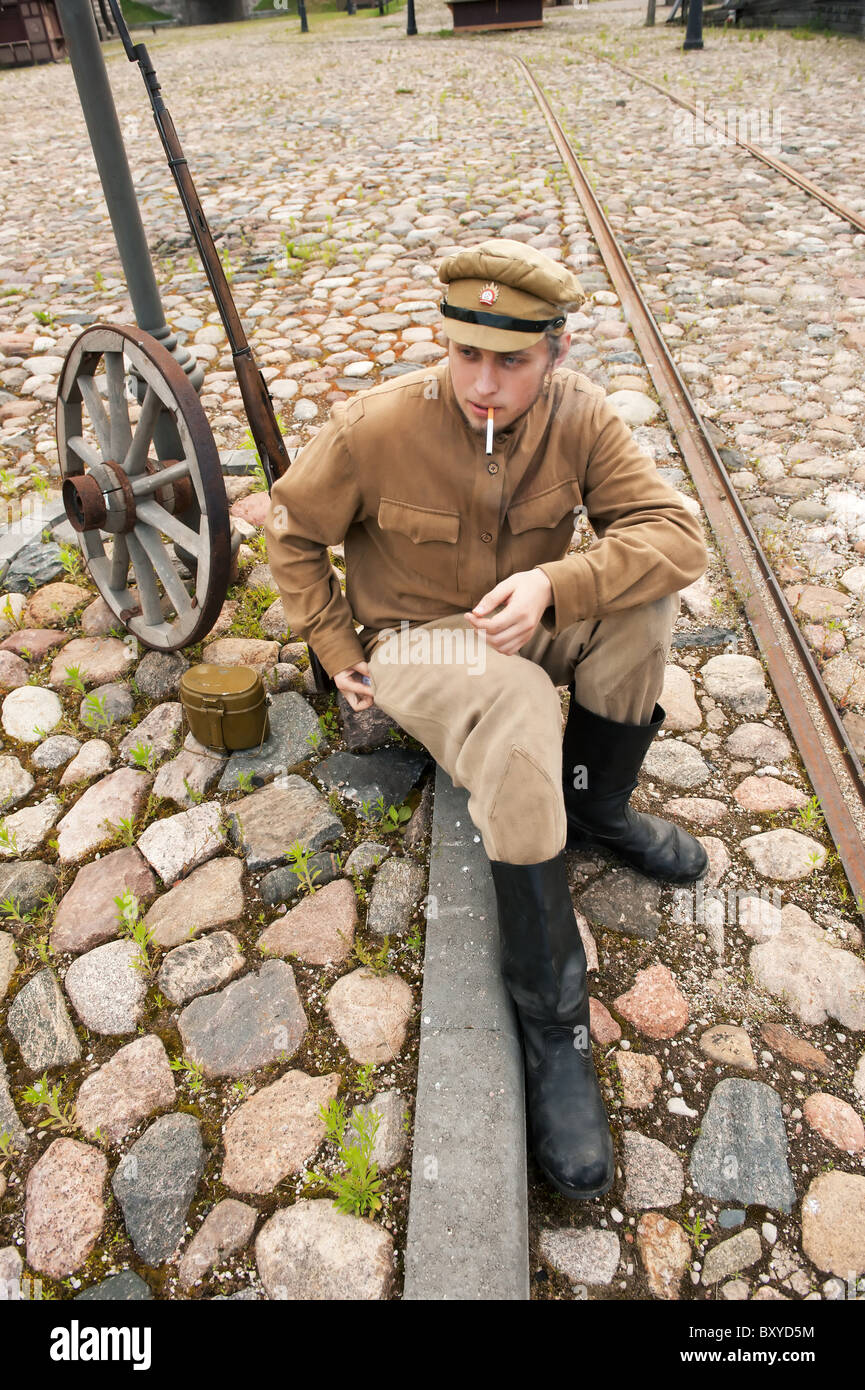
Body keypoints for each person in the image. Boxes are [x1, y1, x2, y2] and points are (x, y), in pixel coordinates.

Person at [264, 238, 709, 1202]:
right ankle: (551, 1015)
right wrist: (341, 653)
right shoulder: (376, 426)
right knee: (510, 707)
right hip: (418, 642)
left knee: (640, 603)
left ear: (554, 353)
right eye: (467, 353)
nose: (484, 383)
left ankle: (596, 806)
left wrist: (557, 582)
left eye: (511, 360)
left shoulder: (579, 416)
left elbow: (677, 537)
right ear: (445, 342)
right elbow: (292, 536)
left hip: (522, 617)